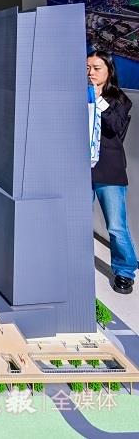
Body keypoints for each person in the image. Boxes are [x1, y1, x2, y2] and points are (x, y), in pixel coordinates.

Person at [88, 50, 136, 294]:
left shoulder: (119, 99)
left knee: (116, 225)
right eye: (88, 68)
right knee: (78, 220)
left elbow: (116, 126)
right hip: (81, 168)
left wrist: (99, 100)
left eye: (97, 68)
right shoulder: (76, 95)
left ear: (109, 71)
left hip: (109, 168)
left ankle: (125, 271)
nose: (91, 73)